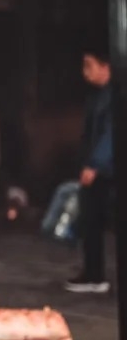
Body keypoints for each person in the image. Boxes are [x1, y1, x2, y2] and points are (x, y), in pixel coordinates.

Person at [66, 43, 113, 293]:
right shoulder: (98, 94)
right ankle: (92, 273)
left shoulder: (111, 96)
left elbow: (109, 135)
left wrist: (94, 165)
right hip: (97, 167)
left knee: (93, 221)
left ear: (106, 67)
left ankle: (95, 276)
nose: (85, 71)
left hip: (103, 171)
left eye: (89, 65)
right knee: (90, 222)